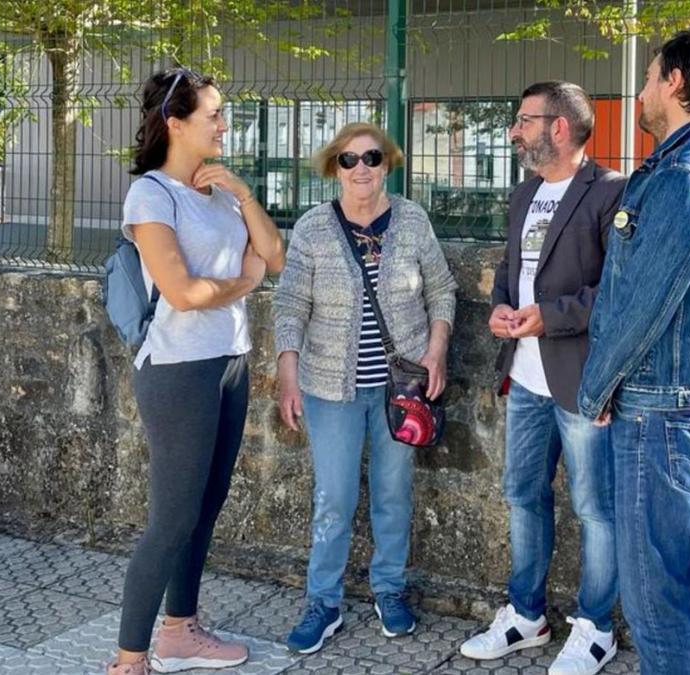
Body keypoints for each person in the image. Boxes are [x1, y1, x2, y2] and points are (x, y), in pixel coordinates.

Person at [577, 31, 690, 675]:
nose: (643, 89)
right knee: (687, 584)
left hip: (658, 414)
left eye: (651, 76)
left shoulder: (685, 175)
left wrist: (596, 389)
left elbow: (642, 304)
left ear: (676, 83)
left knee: (654, 601)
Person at [108, 68, 286, 675]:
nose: (223, 122)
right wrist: (246, 281)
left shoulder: (216, 192)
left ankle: (180, 632)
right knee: (171, 519)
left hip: (229, 359)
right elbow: (182, 291)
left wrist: (242, 192)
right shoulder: (152, 195)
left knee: (206, 506)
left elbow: (275, 255)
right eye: (212, 113)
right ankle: (129, 661)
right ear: (174, 123)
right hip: (177, 366)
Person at [458, 82, 625, 675]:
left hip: (581, 381)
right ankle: (526, 615)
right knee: (523, 495)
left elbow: (619, 294)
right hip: (523, 379)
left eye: (524, 120)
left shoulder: (610, 193)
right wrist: (501, 306)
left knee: (595, 508)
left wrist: (548, 318)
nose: (513, 131)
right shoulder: (523, 192)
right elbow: (512, 267)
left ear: (559, 127)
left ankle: (596, 628)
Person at [273, 122, 457, 654]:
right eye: (348, 160)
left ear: (387, 164)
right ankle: (322, 601)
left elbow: (442, 289)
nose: (360, 169)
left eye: (371, 158)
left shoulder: (413, 221)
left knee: (393, 495)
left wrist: (437, 349)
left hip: (400, 391)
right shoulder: (311, 228)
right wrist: (288, 374)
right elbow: (290, 306)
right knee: (333, 498)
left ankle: (389, 589)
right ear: (334, 167)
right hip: (330, 387)